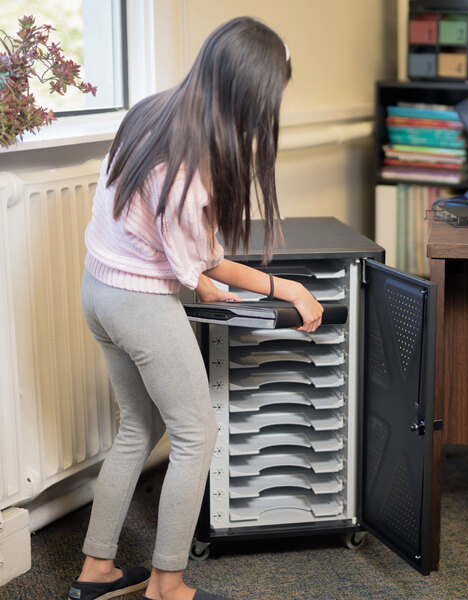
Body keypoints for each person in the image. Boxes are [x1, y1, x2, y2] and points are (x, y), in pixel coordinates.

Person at [68, 17, 323, 600]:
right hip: (138, 305)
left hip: (98, 291)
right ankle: (167, 585)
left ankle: (96, 574)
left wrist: (197, 278)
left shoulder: (154, 111)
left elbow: (162, 238)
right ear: (246, 93)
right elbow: (206, 261)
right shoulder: (192, 165)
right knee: (195, 435)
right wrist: (287, 288)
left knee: (137, 428)